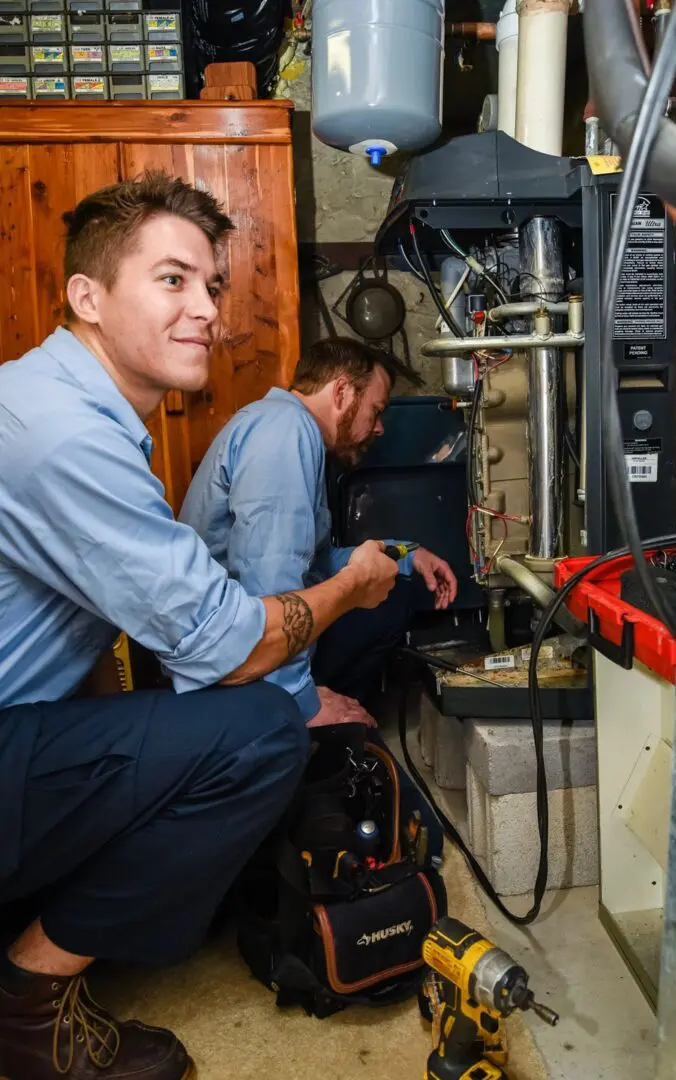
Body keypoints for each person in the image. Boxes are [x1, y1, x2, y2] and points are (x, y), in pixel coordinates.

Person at [0, 173, 398, 1080]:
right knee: (260, 731)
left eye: (212, 285)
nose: (208, 310)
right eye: (172, 280)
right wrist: (356, 589)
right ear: (87, 298)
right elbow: (236, 642)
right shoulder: (65, 433)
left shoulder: (66, 408)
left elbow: (98, 629)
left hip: (22, 724)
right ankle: (28, 1003)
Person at [179, 338, 458, 857]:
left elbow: (315, 562)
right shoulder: (286, 433)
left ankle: (326, 738)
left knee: (391, 597)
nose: (378, 427)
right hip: (228, 662)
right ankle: (310, 750)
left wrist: (406, 556)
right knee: (377, 620)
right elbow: (273, 580)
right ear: (341, 391)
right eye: (375, 410)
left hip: (241, 638)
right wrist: (303, 701)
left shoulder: (283, 426)